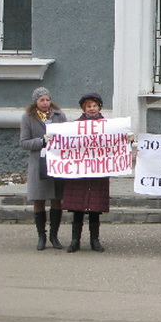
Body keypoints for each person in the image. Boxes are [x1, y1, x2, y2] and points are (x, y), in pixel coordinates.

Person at [61, 93, 111, 253]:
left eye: (94, 106)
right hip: (80, 173)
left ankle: (94, 240)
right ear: (84, 108)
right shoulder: (75, 126)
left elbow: (115, 144)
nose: (92, 109)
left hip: (97, 172)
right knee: (78, 208)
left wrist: (127, 140)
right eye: (89, 106)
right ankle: (75, 240)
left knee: (95, 208)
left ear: (99, 107)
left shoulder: (108, 126)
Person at [19, 87, 67, 250]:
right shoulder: (28, 117)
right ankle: (41, 236)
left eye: (47, 99)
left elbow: (66, 137)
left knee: (56, 198)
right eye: (42, 100)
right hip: (38, 163)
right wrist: (41, 141)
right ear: (36, 102)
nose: (45, 103)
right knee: (39, 199)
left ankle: (54, 236)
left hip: (56, 162)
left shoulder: (59, 116)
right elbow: (24, 142)